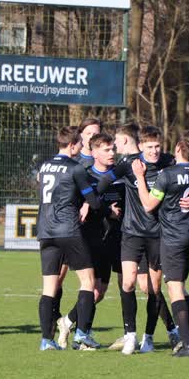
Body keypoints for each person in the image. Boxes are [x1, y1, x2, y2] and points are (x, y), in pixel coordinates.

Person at [99, 125, 182, 354]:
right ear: (141, 145)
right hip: (132, 233)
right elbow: (104, 182)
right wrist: (91, 202)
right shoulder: (128, 164)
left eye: (157, 146)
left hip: (158, 234)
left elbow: (188, 180)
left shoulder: (169, 163)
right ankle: (130, 336)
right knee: (128, 283)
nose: (154, 151)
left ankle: (150, 337)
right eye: (150, 147)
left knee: (152, 288)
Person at [133, 130, 189, 357]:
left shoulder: (168, 175)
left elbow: (148, 205)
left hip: (173, 236)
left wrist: (140, 177)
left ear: (178, 149)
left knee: (174, 288)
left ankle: (187, 345)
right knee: (181, 286)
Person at [36, 126, 101, 351]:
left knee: (49, 288)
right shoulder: (75, 168)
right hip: (69, 230)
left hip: (45, 231)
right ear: (72, 145)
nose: (82, 147)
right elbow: (93, 201)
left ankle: (46, 340)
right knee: (88, 282)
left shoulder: (44, 166)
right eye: (80, 144)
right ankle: (81, 333)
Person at [56, 132, 123, 349]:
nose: (111, 153)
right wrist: (96, 207)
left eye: (113, 149)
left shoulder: (120, 174)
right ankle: (82, 335)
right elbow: (81, 204)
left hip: (111, 238)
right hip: (88, 237)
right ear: (94, 153)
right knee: (90, 286)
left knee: (99, 292)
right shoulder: (84, 176)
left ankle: (68, 322)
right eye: (106, 150)